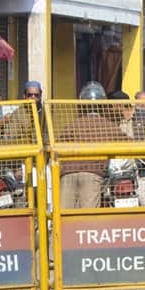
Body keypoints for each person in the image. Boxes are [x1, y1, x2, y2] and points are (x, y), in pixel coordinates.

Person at [55, 82, 126, 210]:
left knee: (63, 215)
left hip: (67, 174)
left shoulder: (72, 125)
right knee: (88, 216)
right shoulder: (109, 126)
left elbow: (57, 146)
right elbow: (129, 143)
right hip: (92, 173)